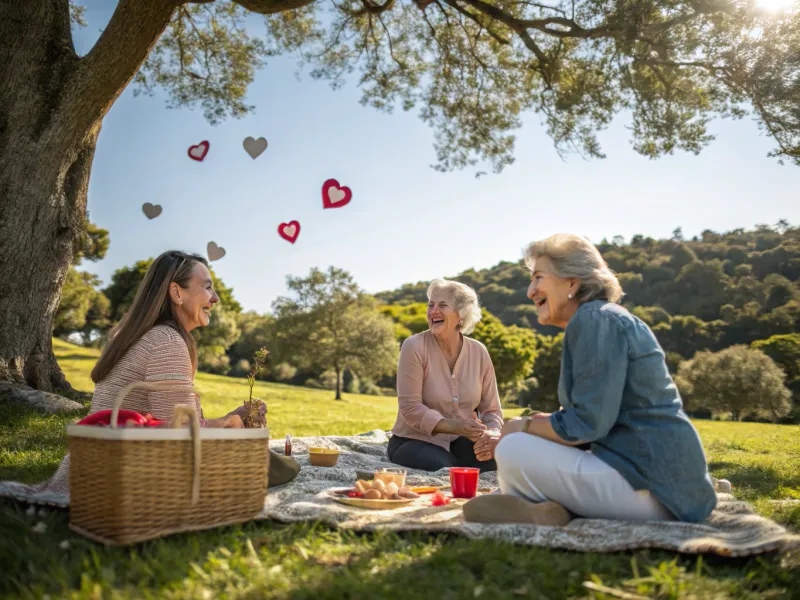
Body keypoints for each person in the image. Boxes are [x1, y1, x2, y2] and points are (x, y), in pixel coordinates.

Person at [464, 234, 717, 525]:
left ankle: (535, 505)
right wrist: (539, 424)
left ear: (572, 283)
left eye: (538, 278)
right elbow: (593, 415)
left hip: (655, 490)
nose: (530, 291)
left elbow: (586, 424)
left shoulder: (594, 320)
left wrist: (523, 425)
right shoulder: (599, 319)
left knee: (513, 447)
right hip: (658, 483)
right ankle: (544, 508)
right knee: (523, 442)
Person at [41, 250, 269, 495]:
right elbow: (181, 438)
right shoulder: (166, 341)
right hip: (118, 482)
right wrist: (231, 421)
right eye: (207, 287)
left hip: (98, 468)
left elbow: (171, 426)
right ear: (176, 293)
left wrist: (230, 420)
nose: (215, 298)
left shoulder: (145, 335)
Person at [388, 279, 504, 472]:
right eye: (430, 305)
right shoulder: (414, 346)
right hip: (413, 440)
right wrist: (457, 426)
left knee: (497, 464)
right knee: (443, 469)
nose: (433, 311)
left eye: (442, 305)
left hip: (461, 441)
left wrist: (491, 433)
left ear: (461, 315)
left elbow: (491, 410)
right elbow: (410, 408)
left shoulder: (479, 351)